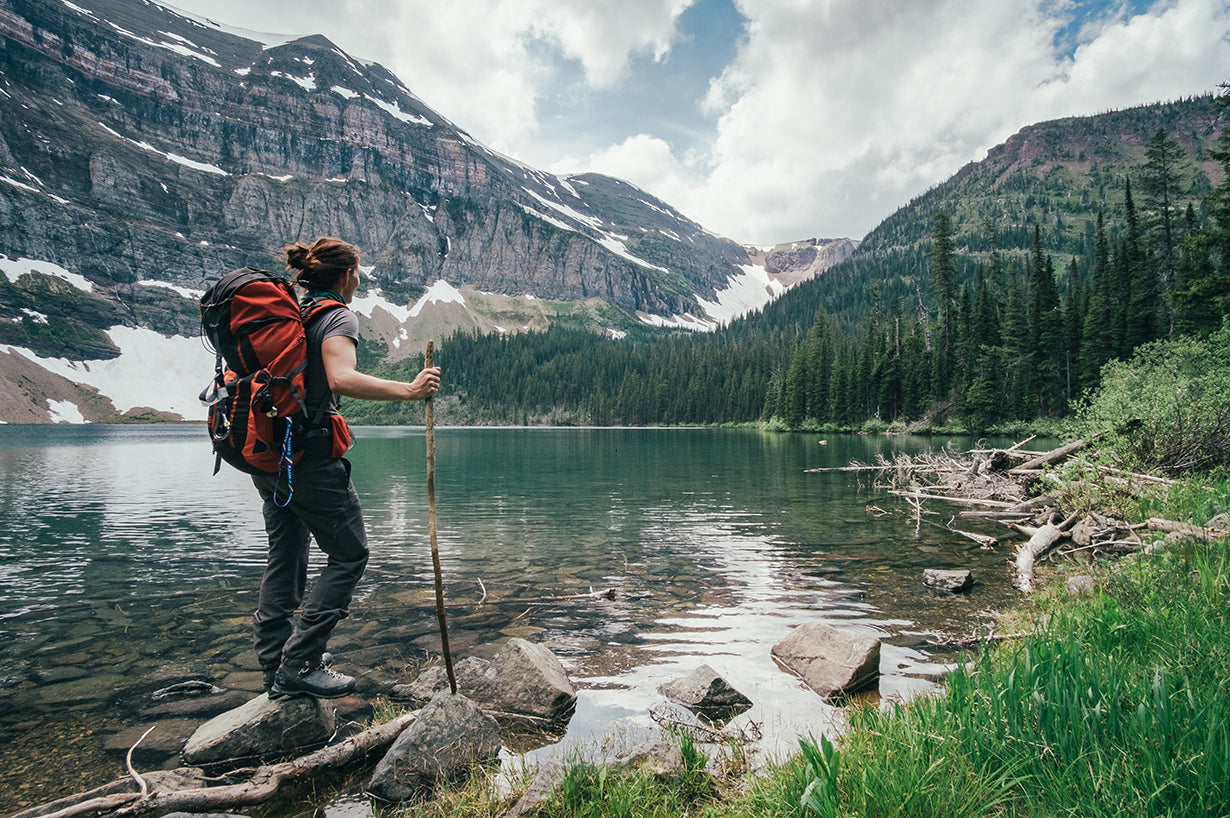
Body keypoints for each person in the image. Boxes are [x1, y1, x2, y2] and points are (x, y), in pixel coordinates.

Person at [252, 236, 441, 700]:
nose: (359, 281)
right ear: (346, 275)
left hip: (269, 456)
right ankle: (299, 663)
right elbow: (341, 378)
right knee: (350, 555)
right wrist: (410, 391)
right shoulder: (336, 315)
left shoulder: (291, 314)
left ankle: (276, 662)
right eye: (357, 273)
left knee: (286, 557)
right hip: (312, 461)